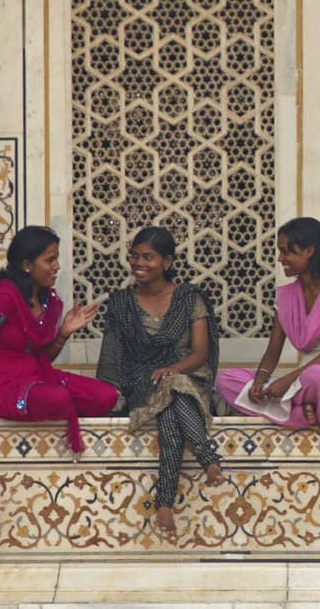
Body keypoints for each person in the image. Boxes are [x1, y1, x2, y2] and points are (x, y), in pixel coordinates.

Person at [95, 226, 226, 539]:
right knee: (172, 394)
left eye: (148, 257)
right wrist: (109, 396)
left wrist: (172, 369)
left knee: (173, 401)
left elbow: (200, 354)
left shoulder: (188, 298)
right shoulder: (122, 302)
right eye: (134, 256)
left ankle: (164, 501)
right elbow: (113, 358)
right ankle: (208, 459)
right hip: (140, 379)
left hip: (188, 375)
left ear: (167, 262)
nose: (138, 263)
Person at [0, 226, 116, 454]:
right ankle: (56, 408)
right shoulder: (3, 296)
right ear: (27, 265)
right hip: (1, 386)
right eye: (49, 260)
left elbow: (43, 358)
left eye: (56, 259)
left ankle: (56, 406)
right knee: (58, 398)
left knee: (106, 396)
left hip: (37, 378)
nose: (57, 267)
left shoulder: (46, 300)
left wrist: (63, 333)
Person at [215, 217, 320, 433]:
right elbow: (273, 350)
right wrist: (260, 380)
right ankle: (306, 413)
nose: (281, 258)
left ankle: (303, 409)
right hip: (299, 386)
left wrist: (286, 383)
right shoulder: (286, 297)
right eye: (280, 252)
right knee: (225, 380)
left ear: (309, 251)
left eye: (287, 252)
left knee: (315, 375)